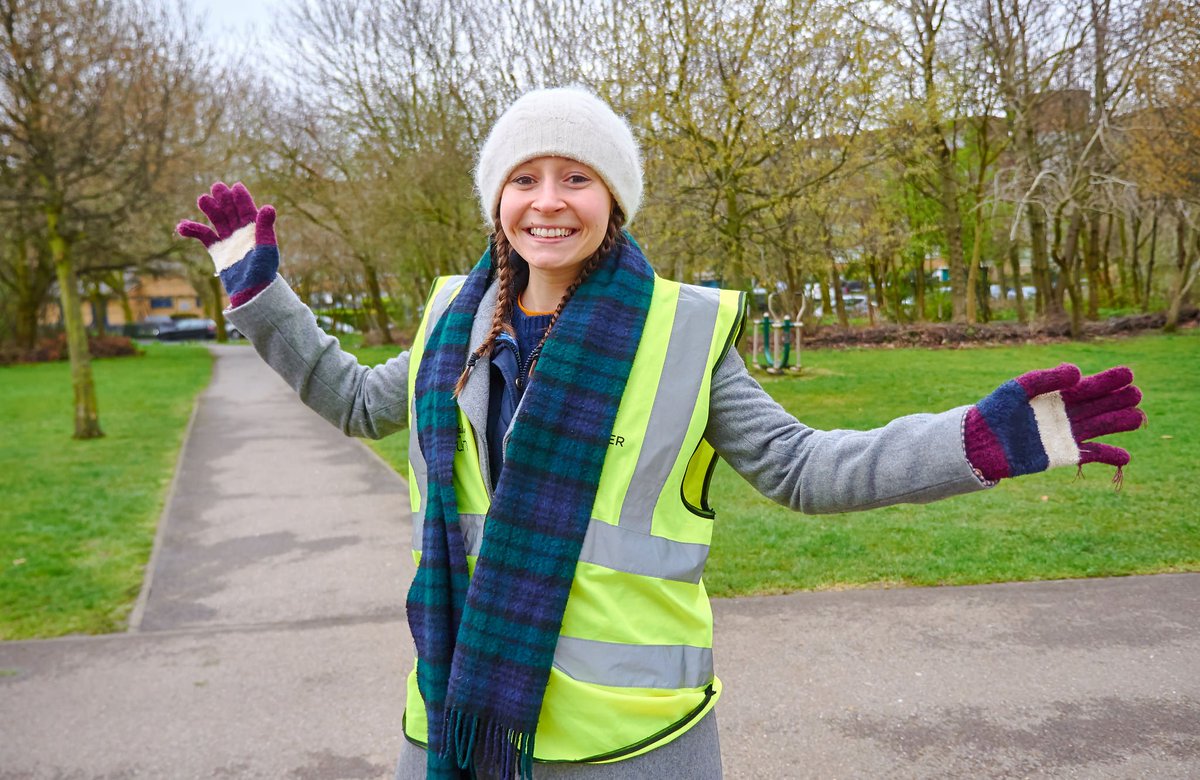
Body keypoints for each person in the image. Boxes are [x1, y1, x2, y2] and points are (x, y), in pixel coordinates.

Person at [177, 87, 1143, 780]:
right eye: (523, 178)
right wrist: (262, 296)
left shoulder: (685, 331)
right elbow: (352, 401)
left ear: (615, 201)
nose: (547, 200)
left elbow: (805, 468)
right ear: (496, 200)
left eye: (575, 177)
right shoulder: (448, 323)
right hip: (456, 720)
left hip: (633, 741)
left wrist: (975, 442)